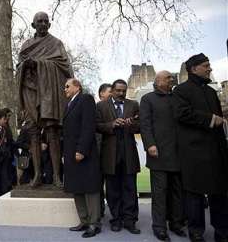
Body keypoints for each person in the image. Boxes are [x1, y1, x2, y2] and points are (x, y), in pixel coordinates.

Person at [173, 53, 228, 242]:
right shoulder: (180, 90)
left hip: (216, 152)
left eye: (209, 65)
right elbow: (182, 114)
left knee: (219, 195)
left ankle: (222, 230)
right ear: (193, 69)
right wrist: (211, 119)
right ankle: (196, 232)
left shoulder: (212, 92)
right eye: (206, 65)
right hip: (194, 153)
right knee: (195, 196)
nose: (210, 68)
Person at [16, 11, 73, 187]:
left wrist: (39, 64)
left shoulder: (56, 43)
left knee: (52, 133)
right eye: (39, 21)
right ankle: (37, 175)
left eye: (45, 21)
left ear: (49, 24)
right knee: (33, 132)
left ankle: (56, 176)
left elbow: (66, 68)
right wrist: (26, 65)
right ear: (33, 25)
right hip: (31, 90)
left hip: (49, 92)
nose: (42, 23)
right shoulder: (26, 45)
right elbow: (18, 68)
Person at [140, 71, 186, 241]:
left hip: (178, 154)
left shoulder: (176, 98)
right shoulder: (148, 99)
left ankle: (176, 224)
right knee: (159, 193)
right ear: (159, 81)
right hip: (158, 154)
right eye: (168, 78)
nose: (171, 79)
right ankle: (159, 227)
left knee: (177, 192)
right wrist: (150, 144)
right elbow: (145, 124)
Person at [96, 79, 141, 234]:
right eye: (118, 91)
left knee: (130, 188)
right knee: (113, 190)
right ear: (113, 91)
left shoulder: (133, 105)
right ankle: (116, 219)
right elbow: (97, 126)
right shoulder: (101, 106)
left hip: (129, 153)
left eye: (124, 91)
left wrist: (132, 124)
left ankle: (130, 221)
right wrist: (112, 124)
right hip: (109, 154)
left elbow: (140, 126)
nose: (121, 93)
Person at [63, 78, 101, 238]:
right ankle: (84, 220)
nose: (64, 89)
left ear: (77, 87)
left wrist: (81, 150)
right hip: (71, 154)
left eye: (67, 86)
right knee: (76, 188)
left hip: (84, 153)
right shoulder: (69, 104)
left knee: (89, 188)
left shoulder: (85, 99)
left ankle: (94, 223)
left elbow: (88, 126)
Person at [96, 83, 112, 217]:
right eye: (109, 92)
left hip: (111, 153)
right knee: (98, 185)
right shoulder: (95, 109)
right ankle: (99, 210)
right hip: (98, 153)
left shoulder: (116, 109)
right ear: (101, 94)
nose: (112, 94)